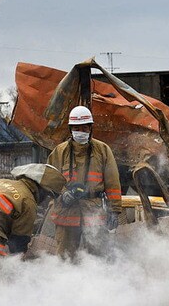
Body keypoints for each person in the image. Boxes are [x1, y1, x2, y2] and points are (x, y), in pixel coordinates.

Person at [47, 105, 122, 259]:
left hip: (93, 211)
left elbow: (112, 183)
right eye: (76, 128)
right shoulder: (60, 152)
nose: (81, 132)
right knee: (65, 258)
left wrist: (115, 210)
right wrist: (63, 194)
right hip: (67, 211)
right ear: (70, 129)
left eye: (84, 128)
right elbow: (49, 180)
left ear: (90, 128)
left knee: (97, 257)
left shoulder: (102, 150)